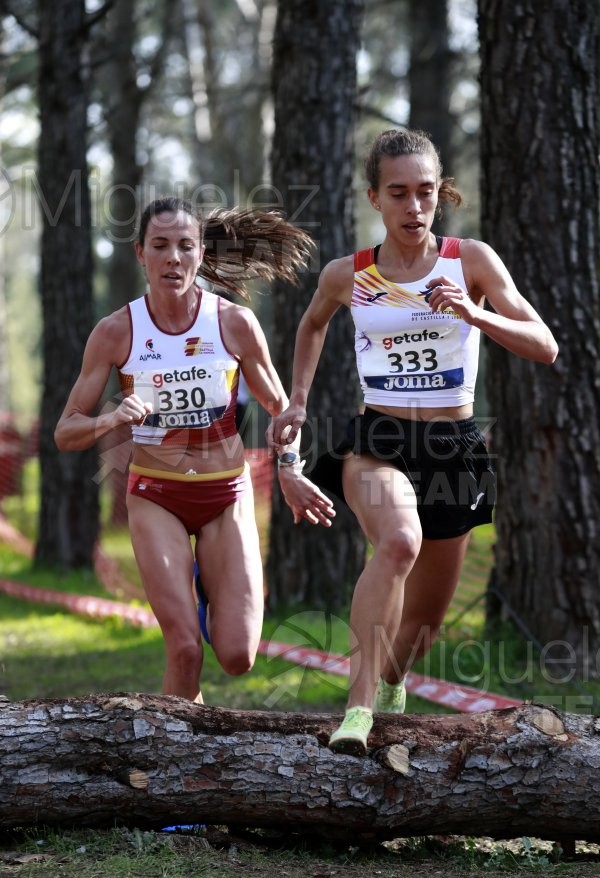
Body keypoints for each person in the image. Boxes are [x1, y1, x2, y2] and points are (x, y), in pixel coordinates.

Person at [268, 129, 558, 754]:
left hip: (453, 446)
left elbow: (546, 344)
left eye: (425, 192)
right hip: (379, 439)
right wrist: (298, 397)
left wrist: (476, 315)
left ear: (439, 194)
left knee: (422, 625)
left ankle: (393, 680)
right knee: (399, 541)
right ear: (375, 197)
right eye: (398, 193)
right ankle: (356, 710)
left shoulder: (470, 260)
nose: (414, 207)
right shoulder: (350, 273)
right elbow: (312, 323)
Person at [55, 196, 335, 703]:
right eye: (160, 246)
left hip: (225, 494)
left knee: (237, 655)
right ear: (141, 253)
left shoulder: (233, 324)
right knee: (185, 650)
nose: (173, 258)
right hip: (155, 496)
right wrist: (111, 418)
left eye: (185, 246)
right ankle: (173, 767)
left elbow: (282, 413)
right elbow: (65, 431)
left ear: (201, 253)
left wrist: (290, 469)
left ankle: (208, 580)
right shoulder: (117, 331)